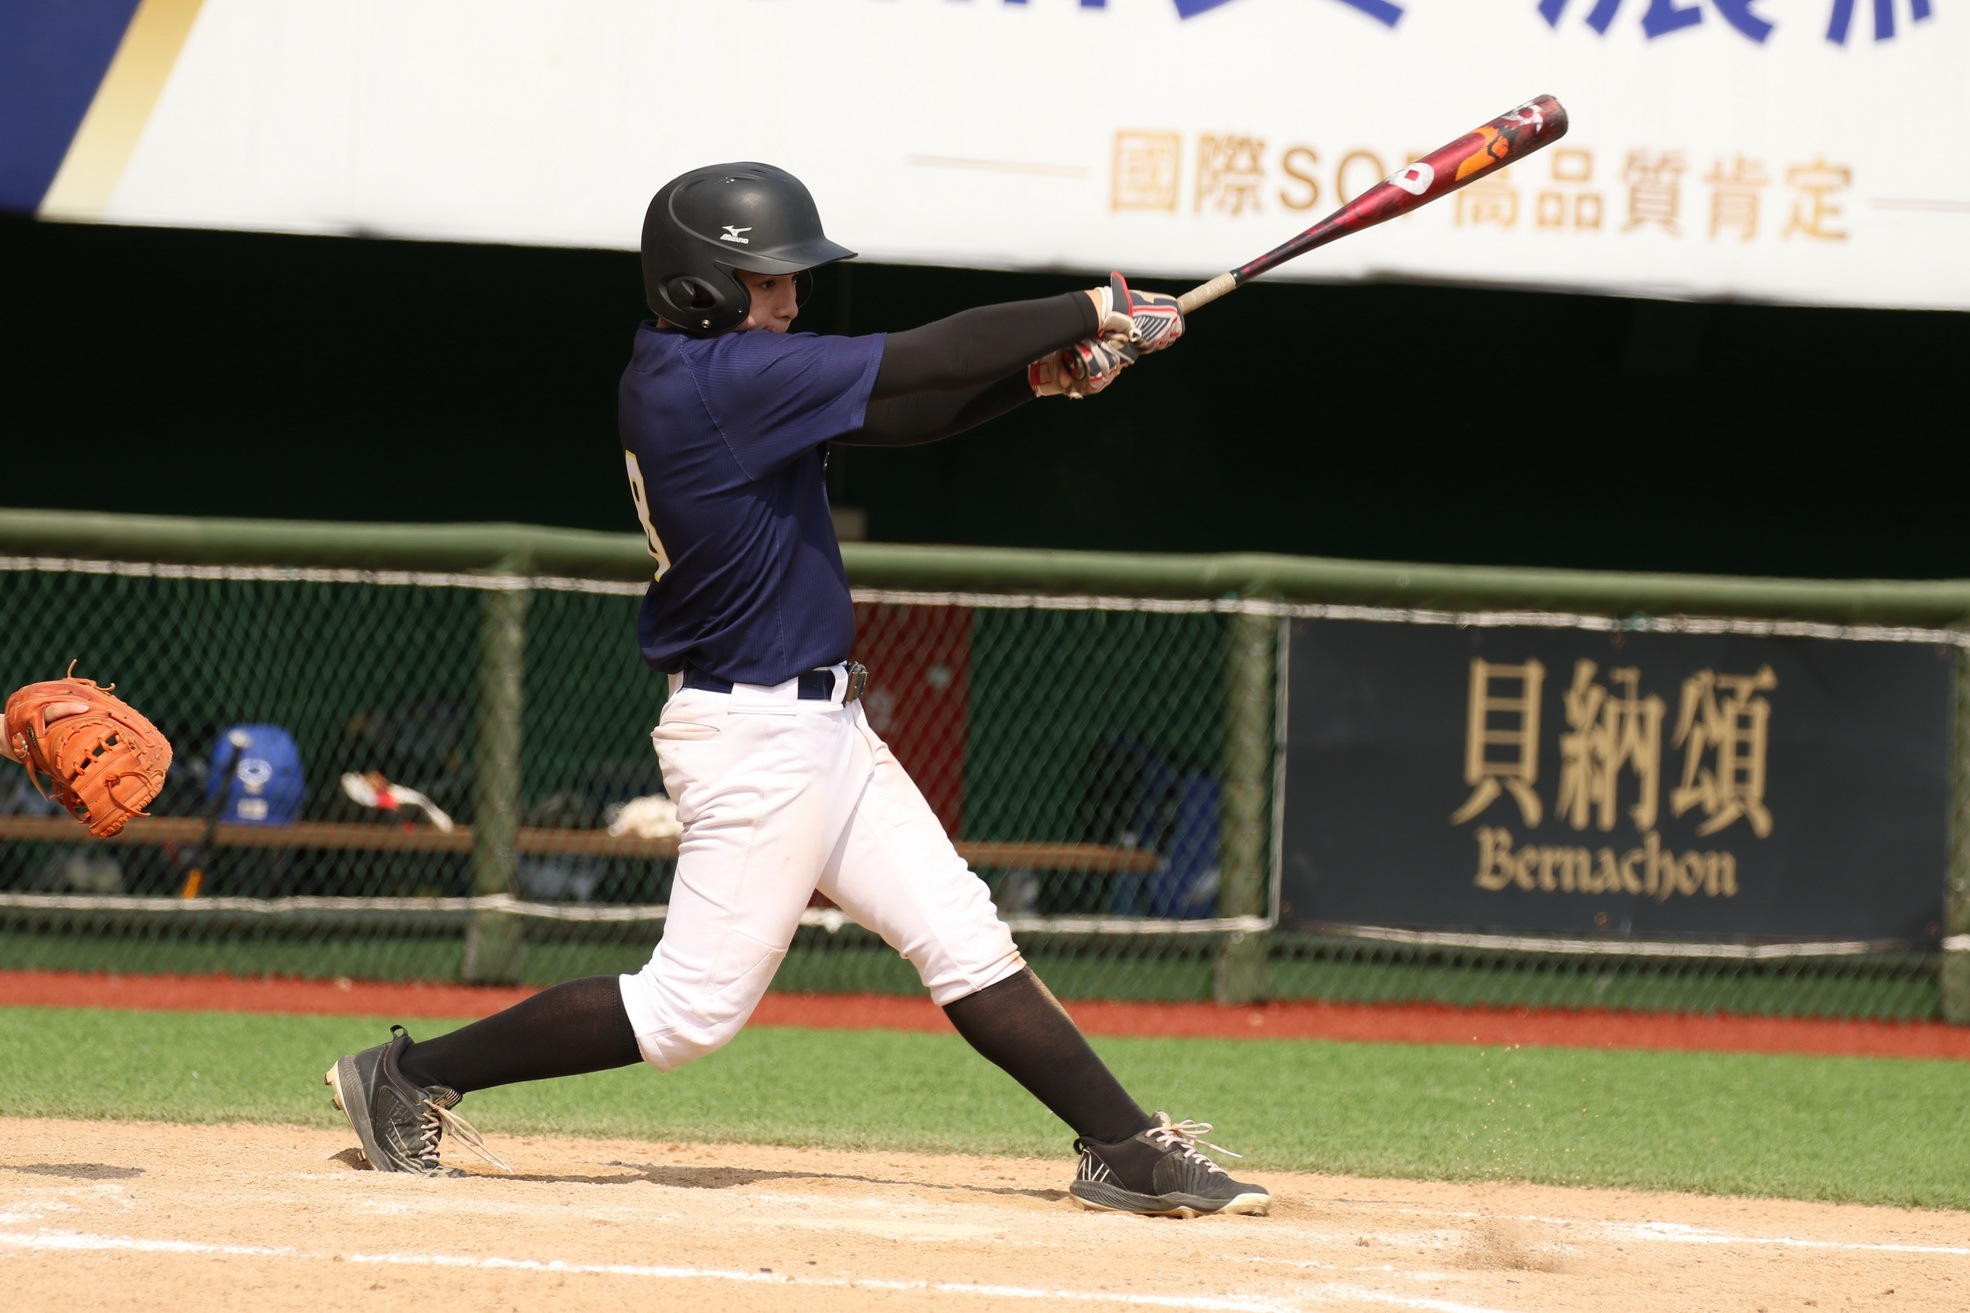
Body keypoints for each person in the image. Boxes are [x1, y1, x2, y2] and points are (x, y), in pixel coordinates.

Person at [326, 163, 1269, 1219]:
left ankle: (1123, 1147)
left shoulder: (717, 373)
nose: (788, 299)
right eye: (766, 281)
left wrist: (1043, 378)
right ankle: (407, 1075)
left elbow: (903, 416)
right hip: (754, 734)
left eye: (792, 281)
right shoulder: (715, 377)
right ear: (696, 286)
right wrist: (1094, 304)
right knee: (686, 1011)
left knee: (963, 938)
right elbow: (928, 355)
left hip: (821, 727)